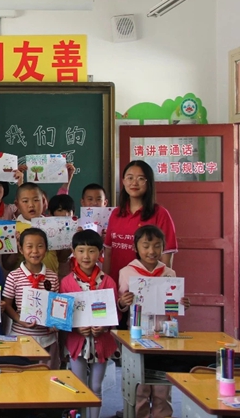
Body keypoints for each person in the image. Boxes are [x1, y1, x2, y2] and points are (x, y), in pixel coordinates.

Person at [118, 225, 190, 418]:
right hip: (138, 336)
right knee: (139, 387)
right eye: (146, 245)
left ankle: (162, 415)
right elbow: (121, 304)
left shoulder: (169, 273)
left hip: (165, 337)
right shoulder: (127, 272)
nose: (152, 251)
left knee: (162, 386)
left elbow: (174, 305)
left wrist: (182, 304)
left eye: (157, 246)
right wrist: (123, 302)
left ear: (163, 247)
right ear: (136, 247)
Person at [60, 230, 121, 418]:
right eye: (81, 251)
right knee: (79, 386)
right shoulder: (66, 283)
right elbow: (63, 315)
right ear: (73, 252)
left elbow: (114, 312)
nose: (86, 256)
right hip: (77, 341)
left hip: (101, 342)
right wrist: (76, 327)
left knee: (96, 386)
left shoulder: (108, 282)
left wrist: (104, 327)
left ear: (100, 252)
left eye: (92, 251)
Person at [104, 160, 177, 288]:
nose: (134, 183)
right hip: (117, 285)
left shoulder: (160, 214)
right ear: (123, 181)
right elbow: (109, 253)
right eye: (130, 178)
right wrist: (105, 286)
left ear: (148, 182)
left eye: (141, 179)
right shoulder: (116, 213)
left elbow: (166, 256)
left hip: (147, 288)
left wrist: (162, 288)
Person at [2, 227, 60, 369]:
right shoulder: (13, 276)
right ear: (21, 249)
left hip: (47, 338)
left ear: (46, 249)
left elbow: (57, 305)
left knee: (46, 375)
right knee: (21, 375)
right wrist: (19, 320)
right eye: (29, 246)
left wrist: (55, 322)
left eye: (40, 246)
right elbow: (7, 304)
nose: (35, 251)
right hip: (21, 336)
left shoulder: (52, 277)